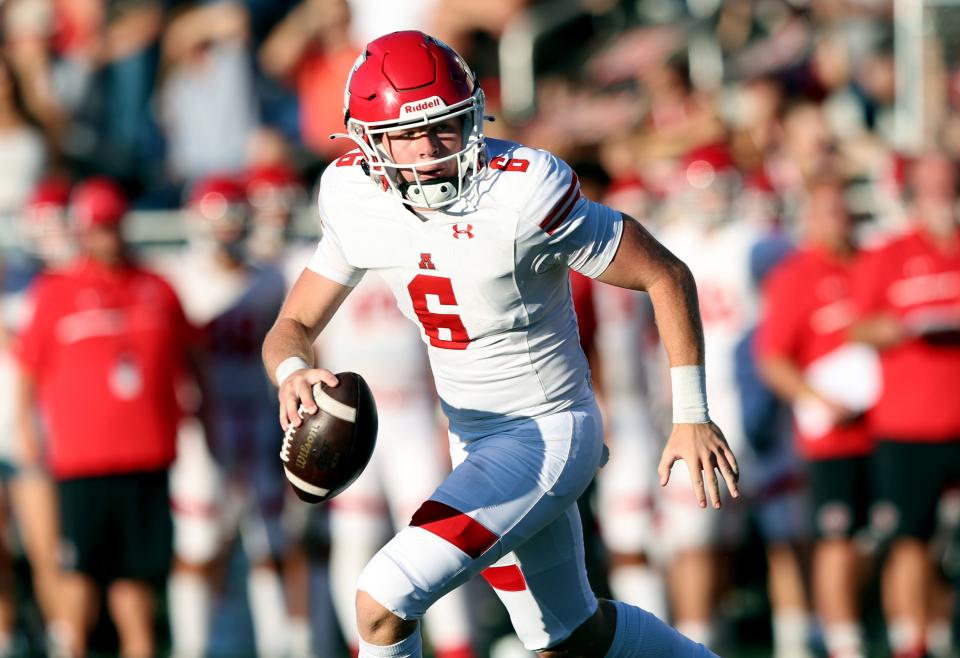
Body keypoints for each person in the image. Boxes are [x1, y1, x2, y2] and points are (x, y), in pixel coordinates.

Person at [262, 31, 739, 658]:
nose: (431, 151)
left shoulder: (522, 190)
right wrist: (293, 372)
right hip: (474, 435)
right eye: (408, 135)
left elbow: (664, 273)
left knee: (380, 602)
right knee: (568, 639)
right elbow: (290, 327)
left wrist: (691, 413)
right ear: (368, 140)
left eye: (446, 127)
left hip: (547, 433)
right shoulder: (354, 197)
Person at [12, 178, 197, 658]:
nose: (106, 237)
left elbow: (191, 362)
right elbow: (27, 369)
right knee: (78, 579)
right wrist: (23, 428)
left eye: (112, 226)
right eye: (97, 228)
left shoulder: (156, 286)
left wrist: (205, 424)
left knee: (135, 584)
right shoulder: (55, 293)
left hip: (146, 457)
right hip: (82, 464)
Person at [159, 175, 290, 658]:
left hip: (259, 415)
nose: (227, 232)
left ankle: (278, 645)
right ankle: (191, 646)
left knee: (268, 541)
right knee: (197, 541)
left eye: (235, 221)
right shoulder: (177, 277)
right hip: (201, 420)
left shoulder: (270, 277)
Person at [757, 177, 875, 658]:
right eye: (824, 212)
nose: (836, 222)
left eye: (841, 210)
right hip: (830, 435)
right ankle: (843, 639)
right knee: (835, 538)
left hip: (886, 428)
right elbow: (773, 359)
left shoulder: (871, 265)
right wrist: (819, 399)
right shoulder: (796, 276)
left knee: (887, 538)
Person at [850, 153, 960, 658]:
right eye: (931, 188)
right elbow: (859, 325)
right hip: (909, 426)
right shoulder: (888, 254)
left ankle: (941, 633)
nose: (941, 197)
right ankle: (912, 642)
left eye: (949, 186)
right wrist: (894, 329)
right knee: (909, 539)